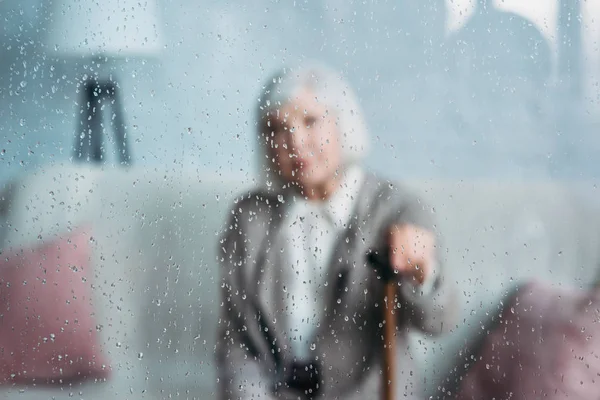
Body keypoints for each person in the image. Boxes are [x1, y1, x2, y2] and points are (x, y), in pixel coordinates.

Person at [215, 61, 458, 400]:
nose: (295, 142)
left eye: (310, 121)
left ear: (343, 123)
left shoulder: (396, 209)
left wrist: (422, 274)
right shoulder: (249, 218)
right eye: (276, 128)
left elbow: (439, 322)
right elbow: (238, 340)